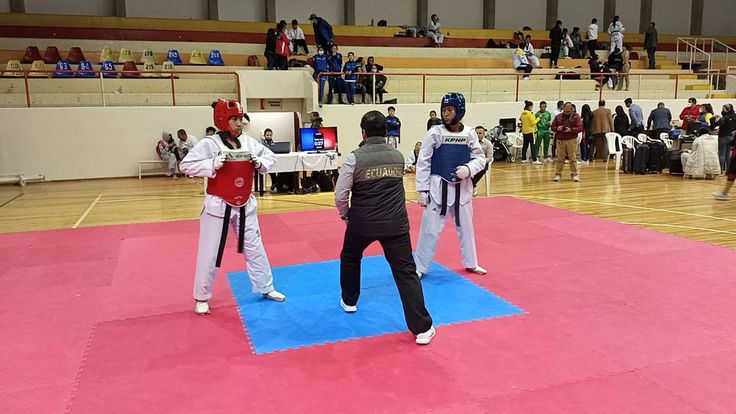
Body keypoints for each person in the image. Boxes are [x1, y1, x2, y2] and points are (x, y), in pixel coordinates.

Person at [334, 110, 436, 345]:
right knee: (406, 272)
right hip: (395, 224)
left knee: (350, 256)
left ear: (363, 132)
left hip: (362, 223)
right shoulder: (398, 156)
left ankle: (349, 301)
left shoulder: (354, 158)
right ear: (387, 131)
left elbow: (340, 195)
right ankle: (422, 329)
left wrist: (346, 216)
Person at [180, 99, 286, 315]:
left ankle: (266, 287)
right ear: (222, 120)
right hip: (218, 204)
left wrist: (259, 162)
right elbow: (186, 165)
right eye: (235, 119)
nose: (240, 123)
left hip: (245, 203)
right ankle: (201, 296)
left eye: (240, 119)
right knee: (210, 253)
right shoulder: (210, 143)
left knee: (255, 247)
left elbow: (271, 157)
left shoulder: (249, 142)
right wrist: (211, 165)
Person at [415, 92, 487, 278]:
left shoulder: (469, 133)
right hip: (437, 188)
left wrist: (469, 168)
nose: (445, 114)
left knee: (467, 227)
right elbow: (423, 162)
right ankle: (420, 267)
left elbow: (480, 158)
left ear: (459, 111)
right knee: (429, 230)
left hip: (461, 188)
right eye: (444, 110)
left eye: (449, 110)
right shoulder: (435, 133)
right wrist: (422, 189)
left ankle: (472, 263)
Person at [551, 102, 583, 182]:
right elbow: (552, 127)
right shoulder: (558, 116)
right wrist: (557, 128)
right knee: (560, 158)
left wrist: (571, 130)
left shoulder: (576, 117)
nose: (566, 113)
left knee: (573, 158)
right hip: (560, 140)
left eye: (568, 111)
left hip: (571, 140)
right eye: (564, 111)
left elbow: (580, 127)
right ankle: (558, 174)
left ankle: (574, 174)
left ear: (572, 109)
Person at [712, 103, 736, 171]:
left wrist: (715, 118)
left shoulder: (724, 117)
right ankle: (728, 170)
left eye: (723, 109)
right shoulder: (734, 116)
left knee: (722, 154)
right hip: (732, 137)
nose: (722, 110)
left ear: (726, 110)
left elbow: (716, 124)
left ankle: (720, 170)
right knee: (728, 155)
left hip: (723, 136)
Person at [471, 126, 493, 196]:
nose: (478, 135)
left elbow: (489, 158)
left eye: (480, 133)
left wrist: (481, 161)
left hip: (483, 163)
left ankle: (471, 185)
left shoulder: (488, 143)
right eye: (476, 133)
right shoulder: (471, 142)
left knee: (482, 169)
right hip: (472, 162)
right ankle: (472, 186)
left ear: (484, 134)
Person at [261, 128, 280, 193]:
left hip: (274, 160)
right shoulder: (261, 145)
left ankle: (277, 184)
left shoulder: (275, 144)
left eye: (270, 135)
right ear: (264, 136)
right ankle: (275, 183)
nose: (269, 137)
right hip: (266, 162)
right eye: (267, 135)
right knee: (271, 169)